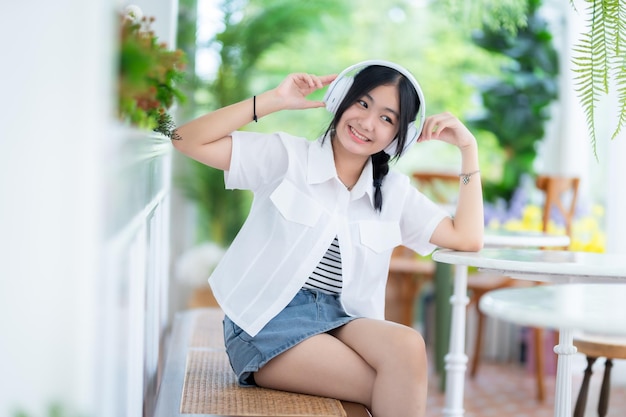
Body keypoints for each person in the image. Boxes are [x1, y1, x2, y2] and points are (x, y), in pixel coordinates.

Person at [172, 60, 483, 417]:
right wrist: (274, 99)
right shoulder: (287, 158)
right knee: (386, 384)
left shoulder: (395, 192)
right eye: (363, 104)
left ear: (399, 135)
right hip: (267, 320)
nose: (367, 123)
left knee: (408, 345)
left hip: (340, 319)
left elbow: (468, 238)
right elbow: (184, 139)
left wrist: (467, 150)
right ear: (340, 100)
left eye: (387, 118)